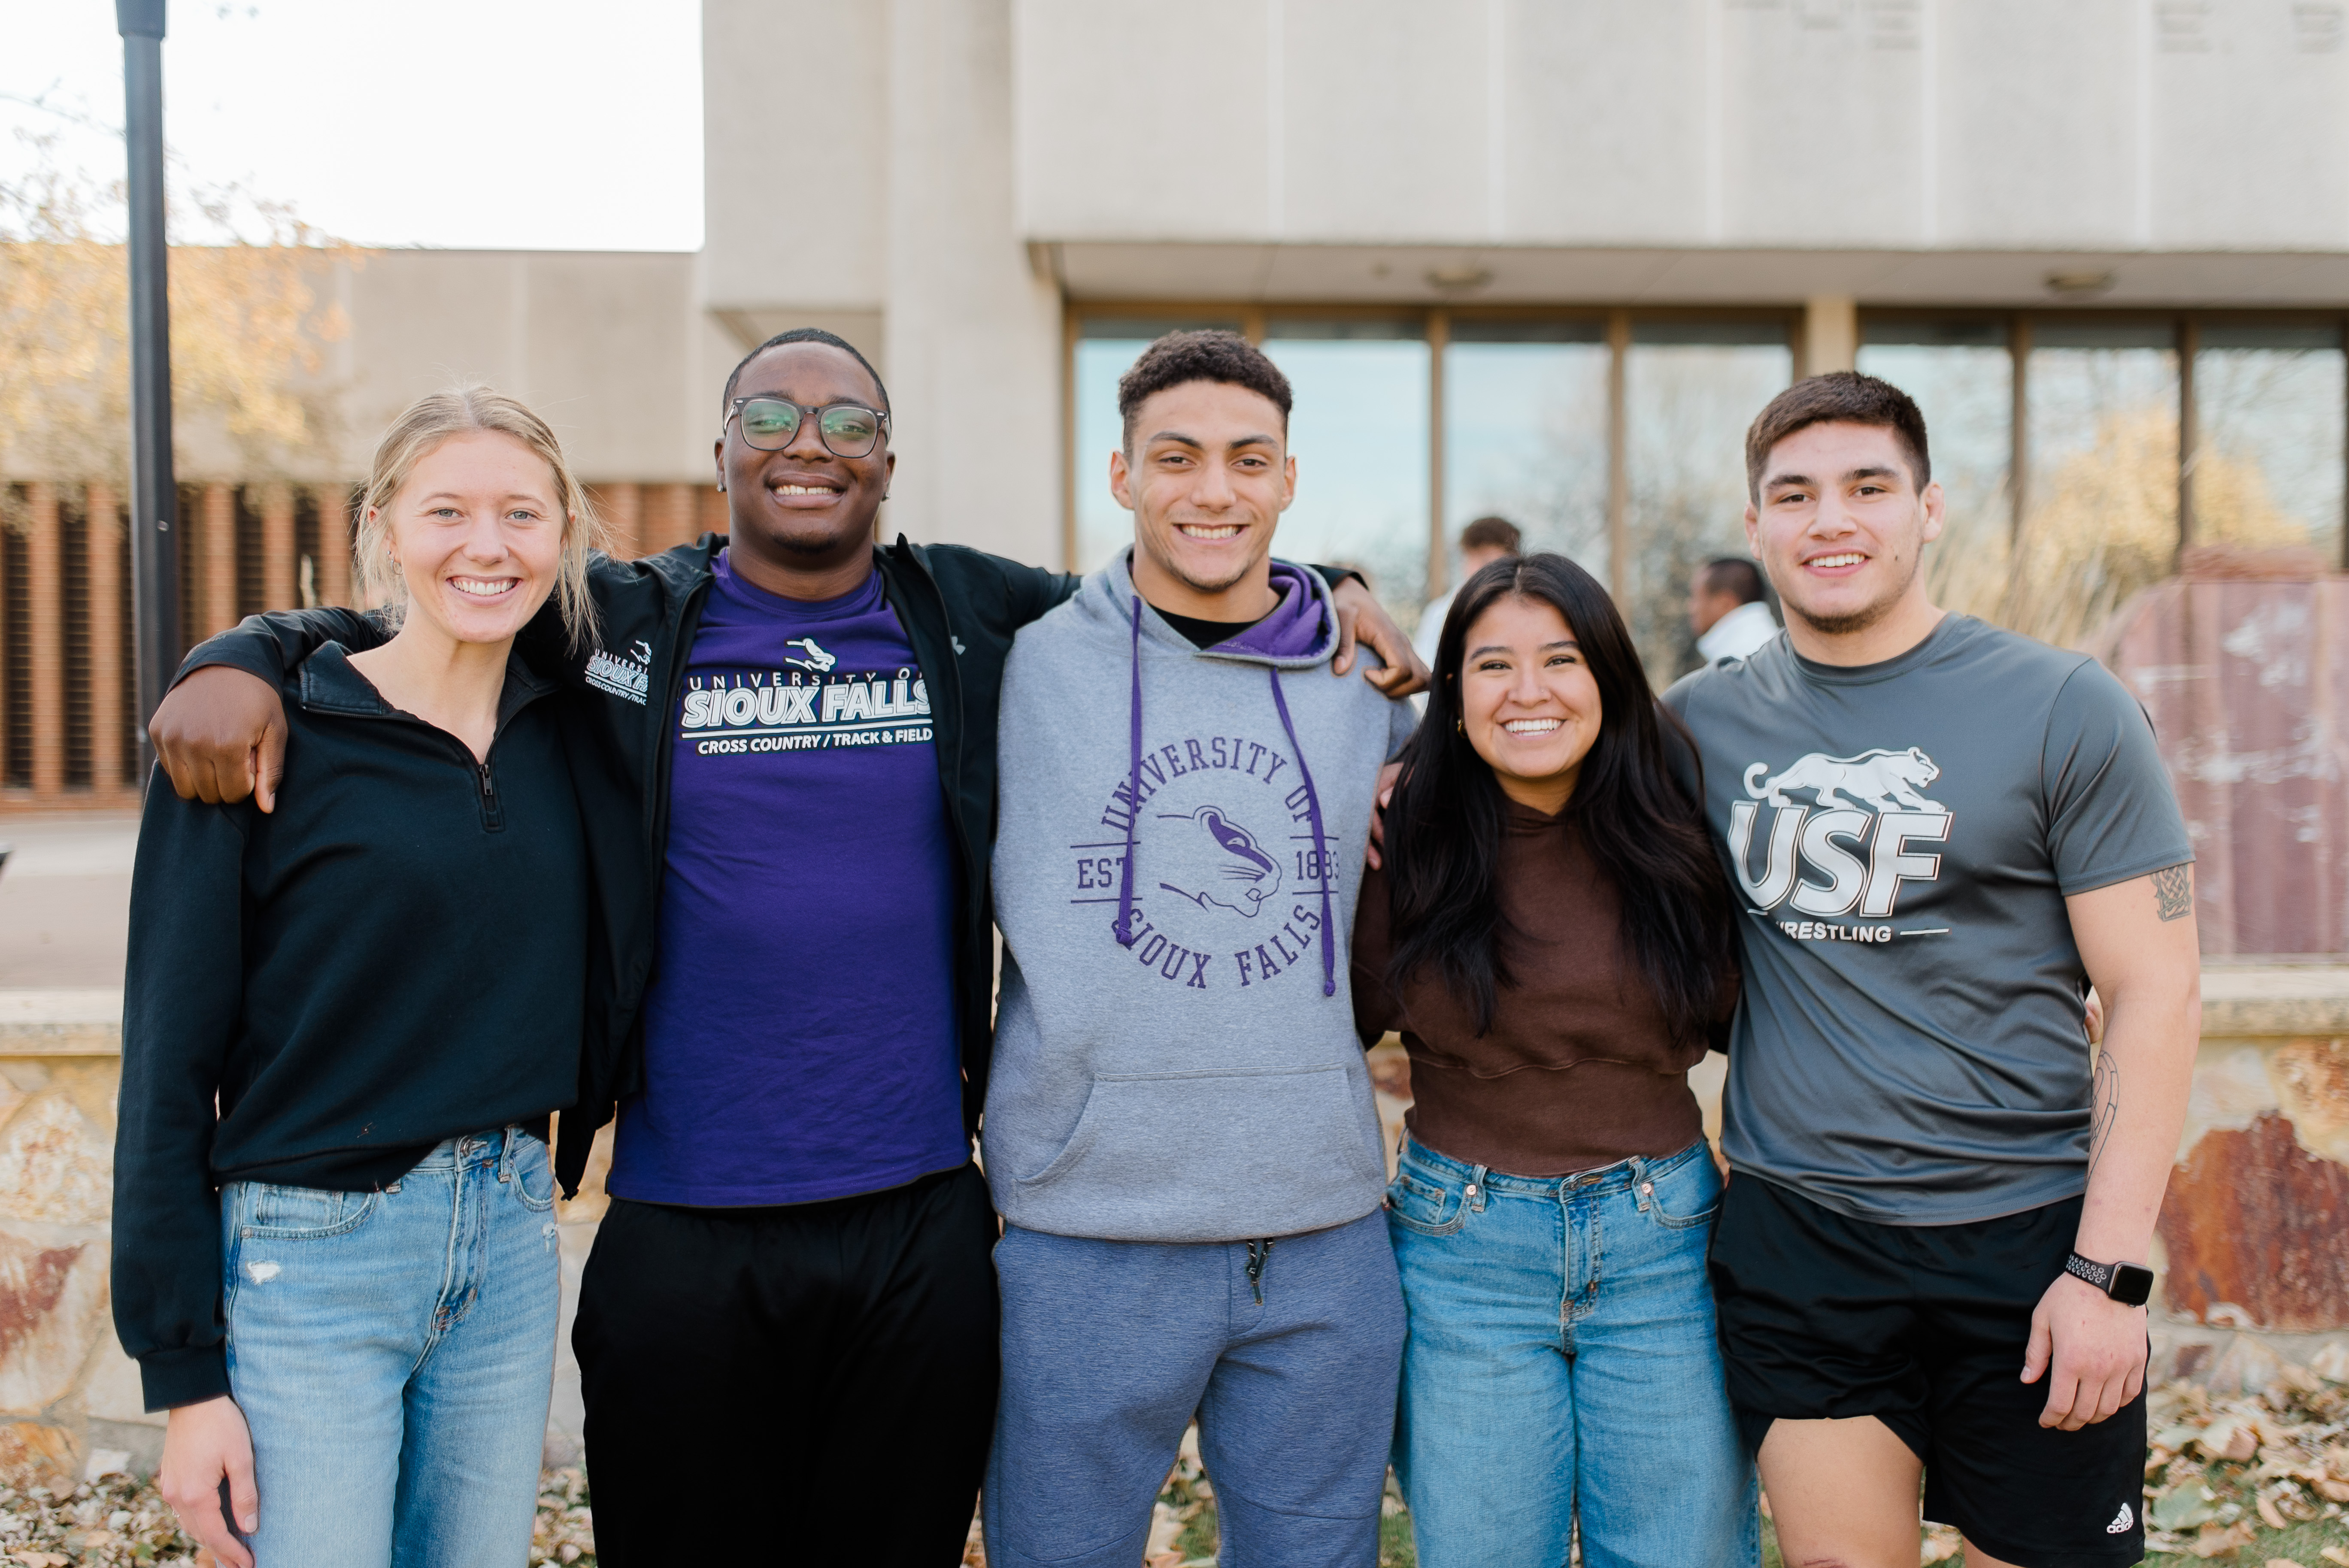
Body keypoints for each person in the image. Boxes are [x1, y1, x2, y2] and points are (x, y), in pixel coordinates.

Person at [144, 329, 1426, 1568]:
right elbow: (430, 615)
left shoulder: (973, 616)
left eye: (848, 424)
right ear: (722, 452)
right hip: (682, 1223)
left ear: (887, 460)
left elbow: (1185, 595)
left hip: (914, 1220)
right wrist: (243, 654)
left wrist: (1336, 595)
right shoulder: (625, 628)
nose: (807, 445)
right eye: (770, 418)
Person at [1664, 372, 2199, 1568]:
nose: (1830, 519)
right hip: (1806, 1235)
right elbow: (1533, 787)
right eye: (1793, 494)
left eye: (1868, 486)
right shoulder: (1695, 725)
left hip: (2027, 1237)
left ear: (1929, 508)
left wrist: (2107, 1272)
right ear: (1757, 528)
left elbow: (2156, 992)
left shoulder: (2066, 706)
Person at [115, 388, 599, 1568]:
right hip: (313, 1251)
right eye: (448, 510)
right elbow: (167, 1057)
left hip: (510, 1234)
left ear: (565, 533)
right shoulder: (262, 737)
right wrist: (185, 1378)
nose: (486, 546)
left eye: (521, 514)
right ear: (382, 523)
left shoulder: (580, 726)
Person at [981, 330, 1420, 1568]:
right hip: (1084, 1227)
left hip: (1320, 1230)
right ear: (1121, 475)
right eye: (1176, 458)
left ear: (1288, 478)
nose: (1213, 489)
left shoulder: (1364, 679)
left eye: (1247, 459)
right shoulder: (1026, 667)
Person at [1355, 550, 1755, 1566]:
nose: (1525, 692)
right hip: (1460, 1252)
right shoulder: (1398, 837)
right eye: (1491, 666)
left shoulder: (1682, 827)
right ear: (1452, 695)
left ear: (1608, 680)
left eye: (1560, 660)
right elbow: (1337, 1019)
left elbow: (1769, 1006)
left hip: (1661, 1243)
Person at [1412, 515, 1522, 669]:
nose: (1480, 570)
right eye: (1472, 559)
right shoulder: (1438, 614)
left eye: (1487, 560)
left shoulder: (1530, 607)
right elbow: (1427, 671)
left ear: (1514, 559)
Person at [1686, 555, 1779, 663]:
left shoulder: (1742, 660)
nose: (1691, 609)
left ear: (1726, 603)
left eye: (1695, 598)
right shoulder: (1767, 648)